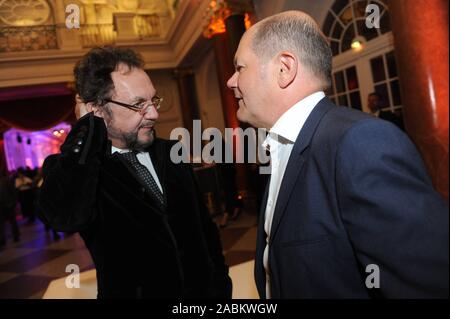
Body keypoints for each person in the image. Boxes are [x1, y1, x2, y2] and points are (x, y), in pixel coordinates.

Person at [227, 10, 448, 298]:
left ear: (284, 68)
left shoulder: (360, 143)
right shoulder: (285, 146)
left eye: (240, 68)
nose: (231, 81)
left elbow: (428, 284)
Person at [37, 46, 232, 299]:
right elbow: (64, 218)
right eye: (138, 104)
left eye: (153, 100)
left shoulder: (172, 152)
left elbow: (206, 233)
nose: (154, 113)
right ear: (97, 109)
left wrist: (220, 288)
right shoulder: (81, 168)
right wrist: (85, 131)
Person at [0, 172, 20, 247]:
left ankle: (16, 235)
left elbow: (13, 192)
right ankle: (2, 239)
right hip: (1, 205)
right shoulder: (6, 181)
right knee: (1, 223)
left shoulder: (6, 181)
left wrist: (13, 202)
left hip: (8, 204)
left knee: (12, 221)